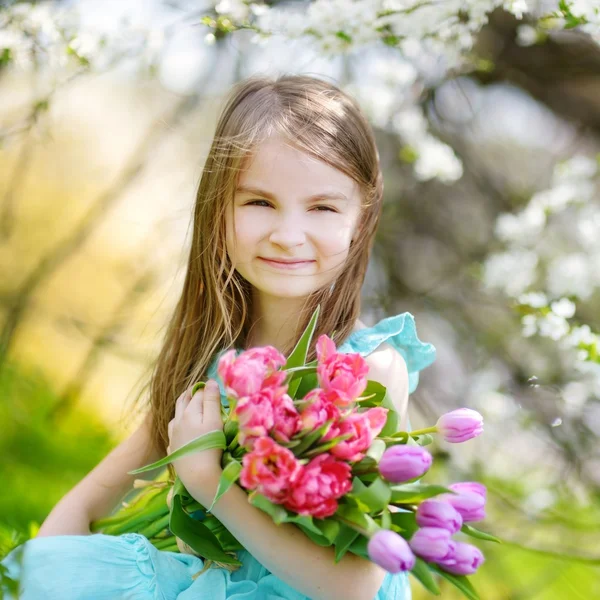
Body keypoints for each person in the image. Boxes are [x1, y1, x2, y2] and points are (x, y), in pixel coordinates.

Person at [1, 74, 436, 600]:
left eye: (321, 207)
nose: (288, 234)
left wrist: (210, 486)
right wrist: (39, 578)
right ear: (218, 209)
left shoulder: (366, 372)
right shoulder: (215, 357)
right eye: (259, 203)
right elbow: (91, 499)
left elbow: (355, 586)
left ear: (360, 219)